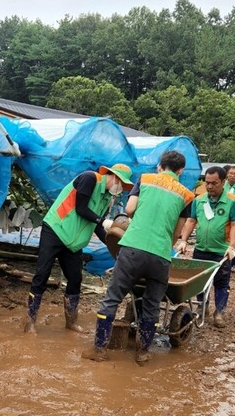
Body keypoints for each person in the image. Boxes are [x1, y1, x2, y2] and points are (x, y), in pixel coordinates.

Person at [82, 151, 194, 364]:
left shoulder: (145, 179)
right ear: (180, 171)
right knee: (152, 305)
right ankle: (142, 353)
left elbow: (130, 209)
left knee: (112, 298)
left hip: (133, 248)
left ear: (160, 166)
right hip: (161, 254)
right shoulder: (187, 195)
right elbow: (177, 233)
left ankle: (99, 350)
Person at [24, 163, 133, 333]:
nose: (120, 188)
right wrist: (102, 221)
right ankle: (30, 321)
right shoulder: (89, 178)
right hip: (56, 230)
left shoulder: (106, 198)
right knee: (42, 275)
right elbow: (81, 208)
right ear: (112, 176)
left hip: (74, 242)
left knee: (75, 280)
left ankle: (71, 322)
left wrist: (114, 247)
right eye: (120, 183)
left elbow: (97, 225)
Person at [177, 166, 235, 328]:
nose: (210, 186)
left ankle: (219, 311)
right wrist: (183, 240)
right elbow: (191, 221)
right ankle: (202, 305)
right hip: (201, 249)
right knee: (199, 281)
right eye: (207, 183)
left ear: (223, 182)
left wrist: (232, 246)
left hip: (221, 251)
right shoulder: (199, 200)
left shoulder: (232, 201)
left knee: (221, 283)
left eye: (214, 183)